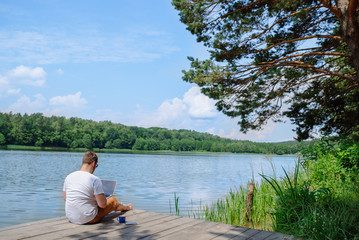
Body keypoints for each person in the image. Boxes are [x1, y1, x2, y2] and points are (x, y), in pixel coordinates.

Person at [63, 151, 132, 224]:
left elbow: (65, 198)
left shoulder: (69, 177)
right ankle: (127, 207)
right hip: (89, 218)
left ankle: (122, 206)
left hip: (71, 217)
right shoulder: (94, 179)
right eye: (96, 165)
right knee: (113, 200)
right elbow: (103, 205)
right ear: (93, 163)